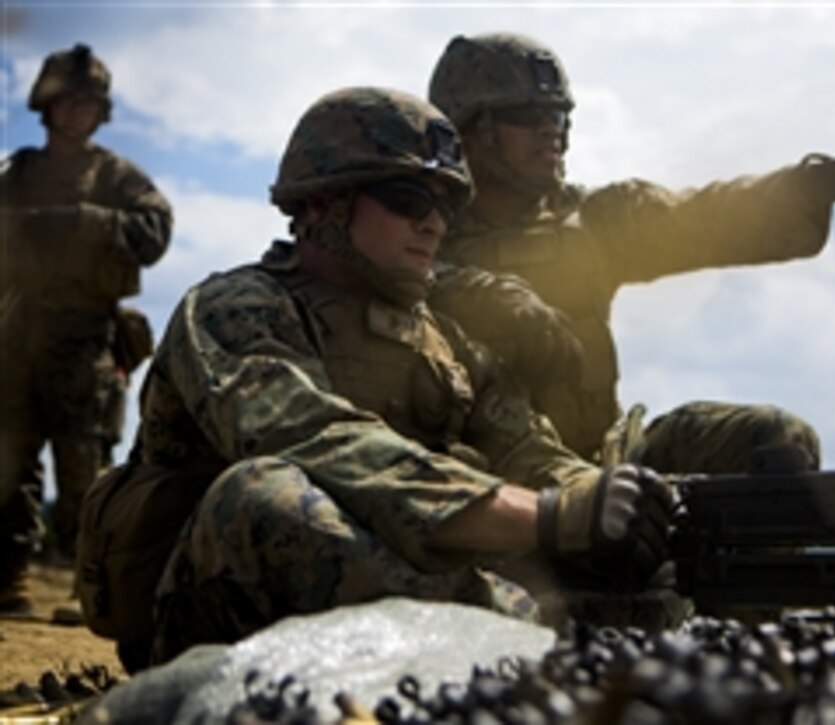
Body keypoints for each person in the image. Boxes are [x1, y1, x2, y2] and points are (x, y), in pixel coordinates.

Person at [77, 87, 672, 670]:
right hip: (219, 627)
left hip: (393, 604)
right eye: (409, 199)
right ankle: (521, 644)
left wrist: (609, 502)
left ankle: (526, 642)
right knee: (263, 495)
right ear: (321, 205)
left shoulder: (443, 340)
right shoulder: (235, 306)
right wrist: (546, 516)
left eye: (446, 207)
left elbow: (524, 446)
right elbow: (314, 438)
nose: (435, 224)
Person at [426, 32, 835, 473]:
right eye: (527, 114)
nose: (550, 129)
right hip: (474, 482)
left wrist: (815, 185)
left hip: (595, 466)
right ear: (470, 131)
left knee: (775, 439)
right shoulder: (409, 227)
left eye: (558, 114)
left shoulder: (592, 221)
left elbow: (701, 217)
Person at [0, 43, 172, 616]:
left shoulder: (118, 176)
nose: (75, 111)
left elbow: (154, 230)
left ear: (100, 112)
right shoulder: (17, 171)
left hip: (84, 336)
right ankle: (9, 581)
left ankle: (87, 586)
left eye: (86, 102)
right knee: (9, 461)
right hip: (16, 332)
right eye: (65, 101)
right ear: (45, 107)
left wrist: (84, 224)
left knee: (84, 466)